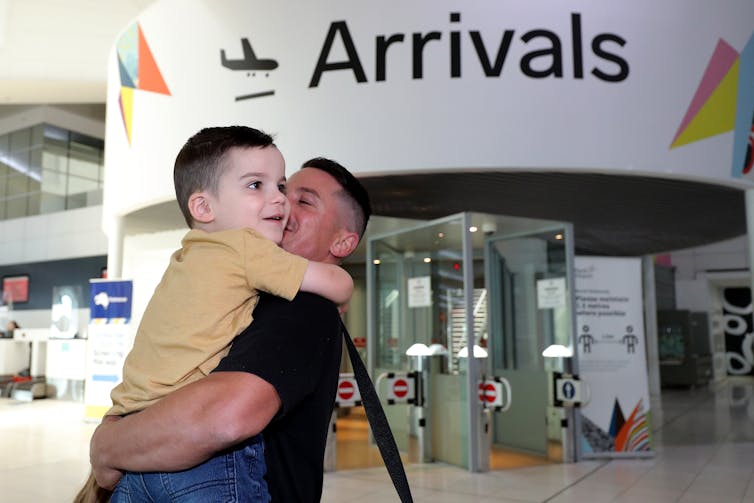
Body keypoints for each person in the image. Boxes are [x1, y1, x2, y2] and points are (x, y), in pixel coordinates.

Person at [76, 128, 354, 502]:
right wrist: (340, 287)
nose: (281, 202)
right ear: (204, 207)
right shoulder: (248, 253)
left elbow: (229, 413)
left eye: (293, 194)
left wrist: (111, 442)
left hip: (136, 432)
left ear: (343, 241)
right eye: (257, 185)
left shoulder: (189, 257)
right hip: (200, 466)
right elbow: (339, 284)